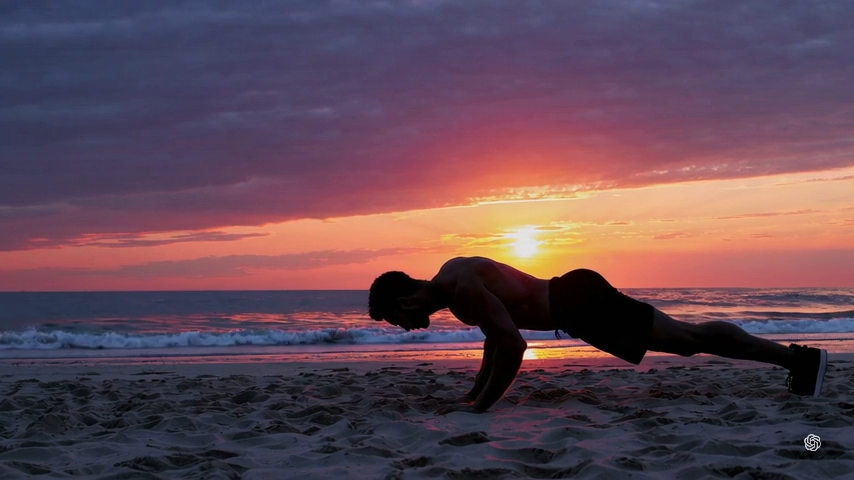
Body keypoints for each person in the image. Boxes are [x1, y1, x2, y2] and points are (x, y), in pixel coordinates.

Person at [367, 256, 829, 414]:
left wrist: (482, 408)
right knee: (689, 340)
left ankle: (799, 360)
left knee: (689, 341)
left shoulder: (462, 286)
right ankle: (798, 361)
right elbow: (495, 335)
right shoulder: (453, 283)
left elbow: (513, 344)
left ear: (404, 301)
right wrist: (471, 393)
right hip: (576, 301)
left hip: (578, 302)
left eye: (394, 319)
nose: (401, 328)